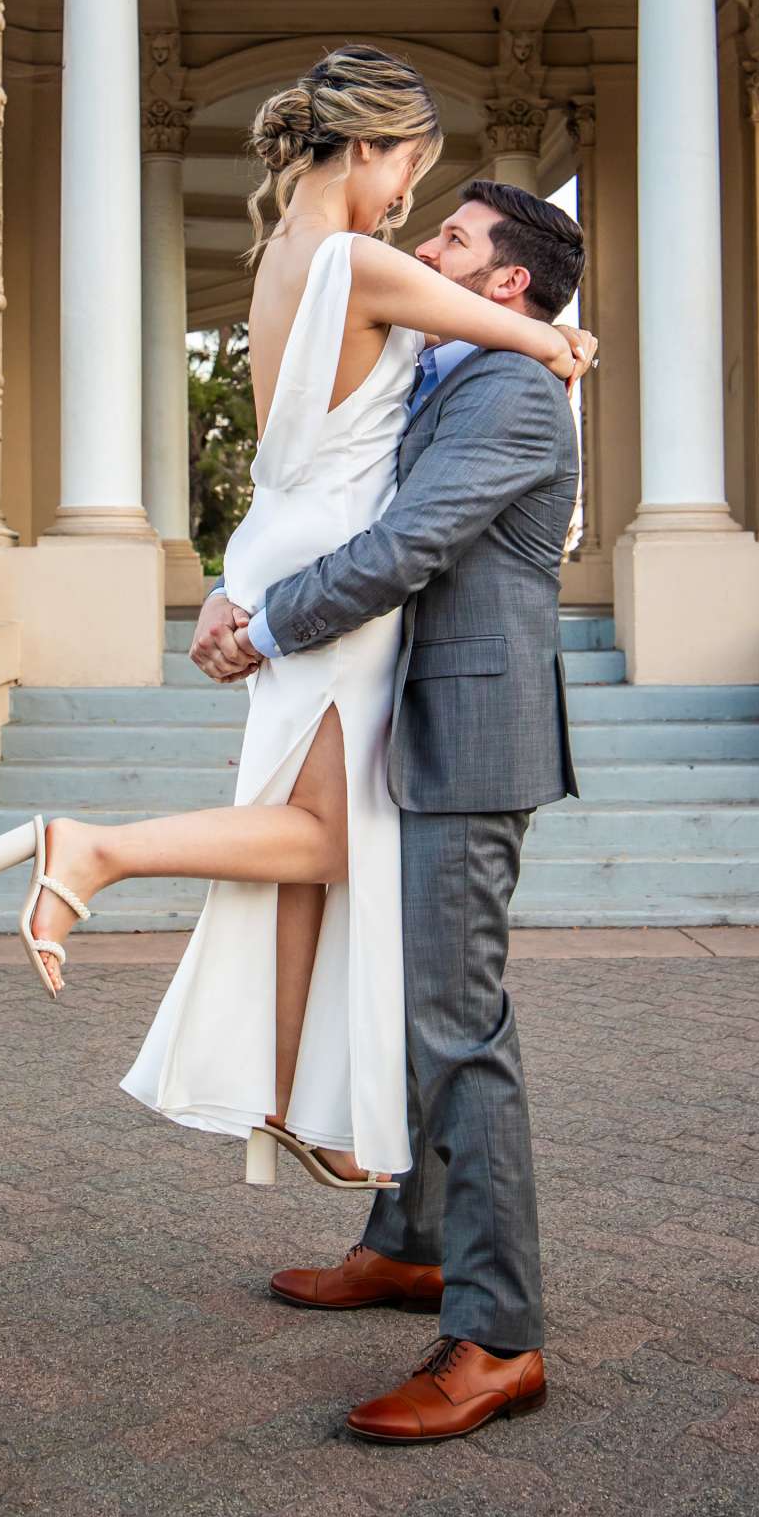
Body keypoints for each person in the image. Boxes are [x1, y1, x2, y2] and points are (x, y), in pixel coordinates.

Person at [0, 45, 594, 1221]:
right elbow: (534, 338)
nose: (413, 197)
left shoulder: (283, 257)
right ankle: (94, 852)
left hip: (284, 531)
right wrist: (568, 346)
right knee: (322, 840)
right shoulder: (361, 261)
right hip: (331, 564)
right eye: (412, 164)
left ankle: (284, 1096)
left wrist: (238, 579)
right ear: (368, 148)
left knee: (313, 848)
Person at [193, 165, 588, 1443]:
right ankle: (406, 1245)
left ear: (508, 280)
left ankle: (495, 1335)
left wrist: (271, 626)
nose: (427, 245)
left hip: (466, 740)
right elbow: (331, 496)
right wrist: (235, 579)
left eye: (454, 238)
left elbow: (412, 541)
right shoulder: (442, 369)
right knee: (405, 1004)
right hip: (389, 726)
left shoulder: (512, 392)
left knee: (458, 1030)